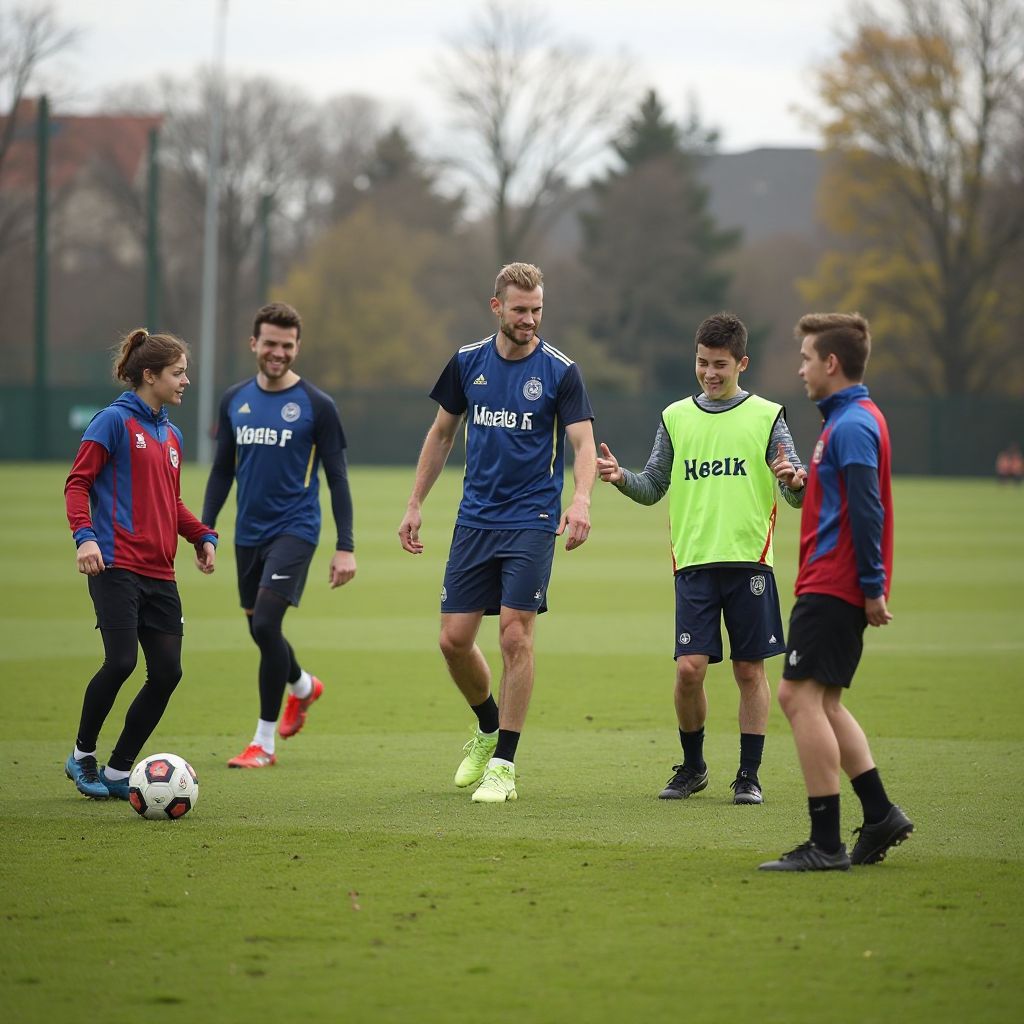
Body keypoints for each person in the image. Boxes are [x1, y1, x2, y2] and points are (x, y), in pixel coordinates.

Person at [398, 262, 596, 803]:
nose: (529, 319)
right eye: (520, 310)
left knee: (514, 634)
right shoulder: (467, 363)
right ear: (497, 308)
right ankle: (487, 728)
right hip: (474, 519)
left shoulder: (561, 371)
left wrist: (580, 499)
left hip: (531, 518)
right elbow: (441, 435)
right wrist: (415, 503)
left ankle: (504, 765)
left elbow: (582, 444)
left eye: (536, 310)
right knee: (453, 640)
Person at [598, 312, 805, 805]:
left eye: (720, 365)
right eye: (702, 363)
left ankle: (749, 776)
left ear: (742, 363)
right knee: (690, 669)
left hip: (750, 562)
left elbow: (793, 489)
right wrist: (620, 477)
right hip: (692, 563)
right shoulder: (675, 417)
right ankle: (692, 768)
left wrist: (795, 481)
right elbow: (653, 485)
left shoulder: (768, 416)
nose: (710, 373)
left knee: (749, 671)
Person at [759, 312, 913, 872]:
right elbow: (851, 498)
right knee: (822, 701)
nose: (800, 369)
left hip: (833, 583)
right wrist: (807, 483)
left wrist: (872, 588)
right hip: (837, 582)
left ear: (831, 363)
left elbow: (867, 510)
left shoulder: (850, 426)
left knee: (796, 698)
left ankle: (825, 844)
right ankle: (879, 814)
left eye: (805, 358)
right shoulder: (852, 420)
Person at [63, 329, 217, 800]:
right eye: (178, 372)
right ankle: (82, 755)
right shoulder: (111, 422)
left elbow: (170, 502)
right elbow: (76, 484)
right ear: (149, 376)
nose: (186, 380)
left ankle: (117, 770)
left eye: (185, 371)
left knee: (168, 672)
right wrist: (85, 539)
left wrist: (201, 535)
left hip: (160, 571)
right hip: (116, 566)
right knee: (122, 661)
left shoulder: (172, 433)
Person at [202, 302, 356, 769]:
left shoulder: (318, 406)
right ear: (254, 343)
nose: (278, 352)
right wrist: (206, 530)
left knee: (266, 625)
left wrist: (345, 546)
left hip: (295, 530)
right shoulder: (234, 400)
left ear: (297, 348)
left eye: (287, 346)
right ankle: (305, 687)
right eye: (270, 343)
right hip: (247, 534)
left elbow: (338, 479)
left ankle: (262, 745)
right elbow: (221, 471)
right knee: (258, 628)